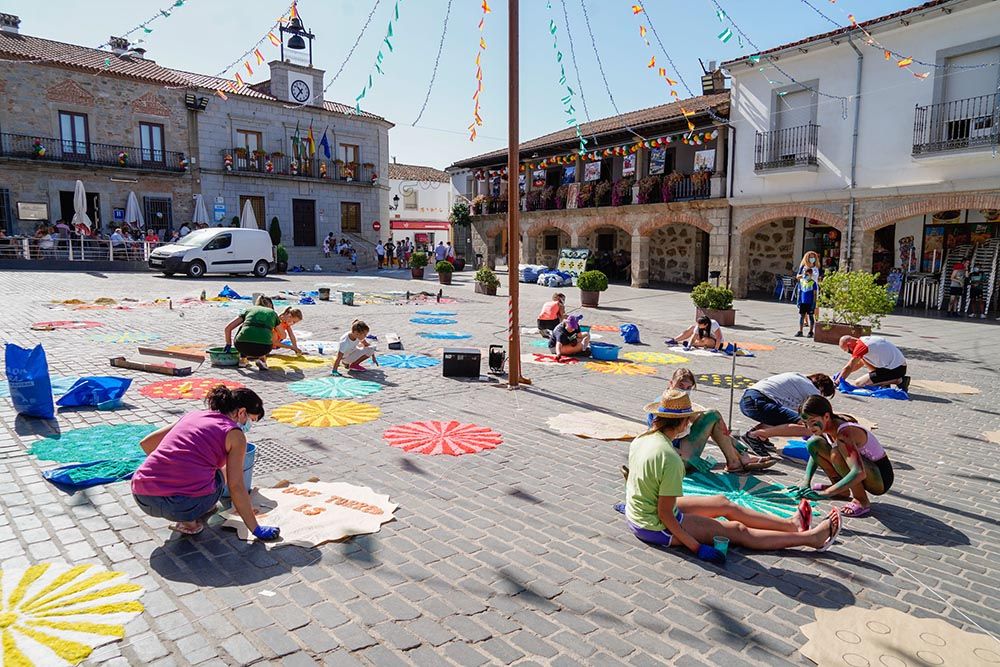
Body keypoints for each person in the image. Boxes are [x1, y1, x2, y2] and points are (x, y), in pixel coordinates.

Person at [621, 389, 841, 561]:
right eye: (690, 419)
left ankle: (791, 525)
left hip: (643, 511)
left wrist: (630, 507)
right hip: (655, 527)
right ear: (683, 421)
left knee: (723, 503)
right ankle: (811, 539)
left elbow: (636, 483)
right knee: (737, 530)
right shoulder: (670, 458)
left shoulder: (643, 438)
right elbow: (667, 515)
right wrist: (697, 548)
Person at [131, 385, 280, 540]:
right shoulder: (235, 435)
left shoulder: (193, 415)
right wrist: (256, 529)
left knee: (207, 472)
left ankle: (192, 506)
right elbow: (236, 486)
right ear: (241, 412)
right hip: (180, 505)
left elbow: (147, 444)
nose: (248, 425)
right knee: (221, 472)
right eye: (251, 420)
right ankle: (188, 520)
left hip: (142, 496)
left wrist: (173, 467)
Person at [642, 369, 777, 474]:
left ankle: (738, 460)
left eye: (688, 388)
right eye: (681, 386)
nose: (684, 390)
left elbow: (706, 420)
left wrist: (734, 442)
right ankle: (738, 461)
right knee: (712, 415)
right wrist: (689, 457)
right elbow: (656, 443)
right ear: (670, 384)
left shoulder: (682, 403)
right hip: (671, 458)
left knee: (713, 414)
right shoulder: (659, 410)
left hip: (682, 449)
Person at [790, 395, 894, 518]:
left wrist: (825, 493)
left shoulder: (844, 434)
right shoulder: (827, 425)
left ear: (826, 416)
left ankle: (861, 500)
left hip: (880, 478)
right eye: (805, 423)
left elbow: (858, 472)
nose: (809, 428)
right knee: (814, 443)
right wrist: (806, 482)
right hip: (865, 469)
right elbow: (816, 452)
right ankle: (842, 491)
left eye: (812, 422)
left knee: (837, 454)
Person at [739, 372, 836, 453]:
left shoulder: (798, 377)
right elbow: (820, 417)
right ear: (822, 389)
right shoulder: (812, 390)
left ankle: (759, 437)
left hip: (750, 400)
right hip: (759, 402)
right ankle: (754, 436)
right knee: (810, 427)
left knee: (787, 417)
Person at [837, 335, 908, 391]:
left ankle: (899, 380)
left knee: (859, 384)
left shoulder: (861, 347)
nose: (849, 353)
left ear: (849, 344)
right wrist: (841, 374)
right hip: (895, 366)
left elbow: (850, 366)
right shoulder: (864, 340)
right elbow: (858, 364)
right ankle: (885, 381)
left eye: (847, 350)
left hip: (896, 370)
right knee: (863, 359)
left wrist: (837, 382)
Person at [224, 302, 280, 371]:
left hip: (242, 346)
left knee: (245, 328)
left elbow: (228, 328)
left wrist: (228, 344)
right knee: (266, 333)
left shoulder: (249, 310)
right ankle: (262, 361)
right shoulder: (272, 313)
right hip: (264, 349)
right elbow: (283, 335)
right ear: (270, 306)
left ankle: (242, 360)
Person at [796, 272, 817, 337]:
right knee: (802, 316)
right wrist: (798, 301)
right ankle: (800, 331)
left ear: (811, 275)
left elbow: (815, 294)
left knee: (811, 316)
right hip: (803, 302)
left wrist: (814, 304)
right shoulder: (802, 282)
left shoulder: (813, 283)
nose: (806, 276)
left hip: (810, 303)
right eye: (806, 274)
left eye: (808, 275)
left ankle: (811, 332)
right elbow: (799, 292)